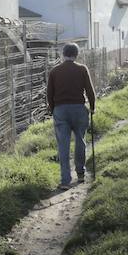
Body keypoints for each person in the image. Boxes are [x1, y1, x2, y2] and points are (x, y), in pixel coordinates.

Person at [47, 42, 96, 188]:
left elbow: (49, 94)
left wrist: (54, 109)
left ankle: (65, 180)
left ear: (63, 54)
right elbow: (90, 91)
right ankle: (80, 174)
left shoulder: (55, 71)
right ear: (76, 54)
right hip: (79, 109)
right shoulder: (82, 69)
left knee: (63, 145)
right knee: (80, 140)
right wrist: (92, 107)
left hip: (61, 110)